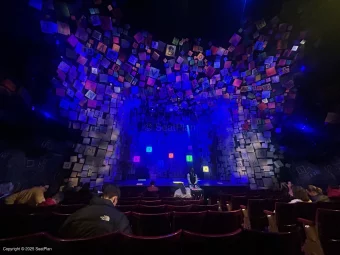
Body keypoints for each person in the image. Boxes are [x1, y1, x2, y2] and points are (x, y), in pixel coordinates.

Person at [59, 184, 131, 238]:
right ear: (115, 199)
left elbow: (61, 235)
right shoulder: (120, 219)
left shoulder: (77, 214)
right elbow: (127, 243)